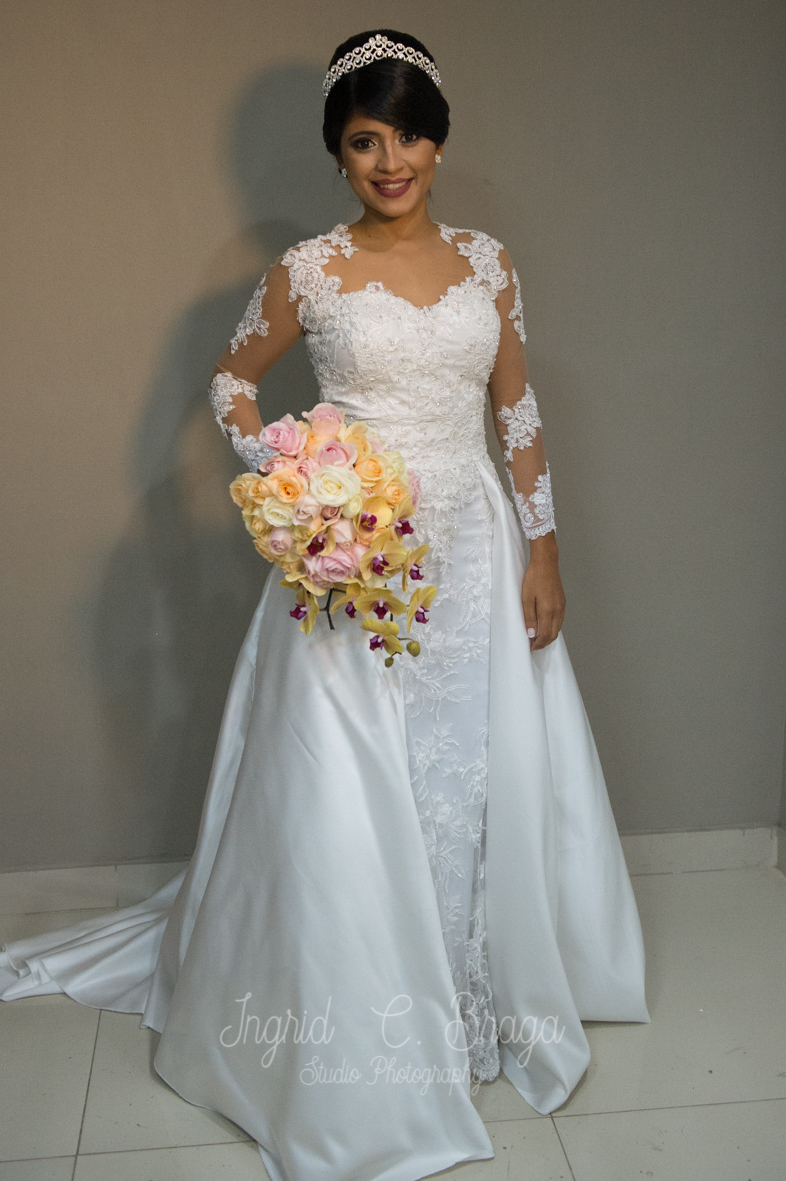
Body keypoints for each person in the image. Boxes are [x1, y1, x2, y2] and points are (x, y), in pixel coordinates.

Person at [0, 29, 650, 1181]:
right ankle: (364, 1025)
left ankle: (469, 992)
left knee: (469, 768)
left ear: (438, 142)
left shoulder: (489, 263)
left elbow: (517, 412)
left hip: (472, 550)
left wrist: (544, 550)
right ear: (339, 154)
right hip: (352, 555)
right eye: (363, 141)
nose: (389, 160)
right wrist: (296, 477)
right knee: (353, 782)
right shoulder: (308, 269)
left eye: (407, 136)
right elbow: (230, 382)